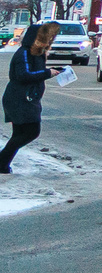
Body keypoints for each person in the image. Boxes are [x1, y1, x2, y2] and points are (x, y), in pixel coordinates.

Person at [3, 21, 56, 173]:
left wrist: (53, 71)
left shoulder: (36, 53)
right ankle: (1, 162)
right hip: (20, 98)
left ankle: (3, 165)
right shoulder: (25, 52)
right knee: (31, 132)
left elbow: (33, 73)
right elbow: (23, 75)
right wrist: (48, 73)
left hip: (26, 98)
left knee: (20, 134)